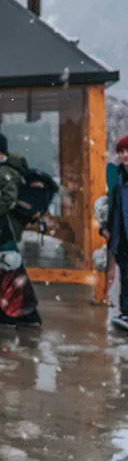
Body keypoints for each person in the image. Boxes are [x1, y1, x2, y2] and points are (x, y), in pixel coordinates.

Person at [0, 131, 41, 326]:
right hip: (4, 226)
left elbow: (8, 200)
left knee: (4, 269)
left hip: (4, 227)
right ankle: (20, 311)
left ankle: (12, 311)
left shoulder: (4, 171)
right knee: (8, 269)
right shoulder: (5, 168)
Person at [102, 135, 128, 328]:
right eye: (121, 152)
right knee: (125, 275)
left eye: (127, 151)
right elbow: (114, 207)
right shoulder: (117, 178)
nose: (124, 155)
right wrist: (106, 228)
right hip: (122, 236)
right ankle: (125, 312)